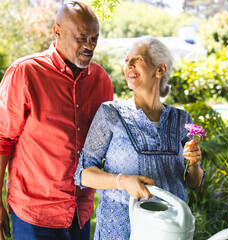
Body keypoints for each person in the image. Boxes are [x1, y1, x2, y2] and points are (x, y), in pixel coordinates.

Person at [0, 1, 113, 239]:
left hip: (80, 212)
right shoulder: (25, 72)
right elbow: (2, 139)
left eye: (94, 38)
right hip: (34, 212)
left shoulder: (101, 80)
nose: (89, 46)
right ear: (57, 31)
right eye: (82, 38)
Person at [74, 36, 205, 239]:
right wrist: (122, 181)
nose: (129, 65)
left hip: (168, 232)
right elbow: (83, 173)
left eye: (137, 60)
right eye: (127, 61)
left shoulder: (181, 119)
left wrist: (194, 165)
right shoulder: (110, 114)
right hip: (119, 230)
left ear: (159, 70)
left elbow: (194, 182)